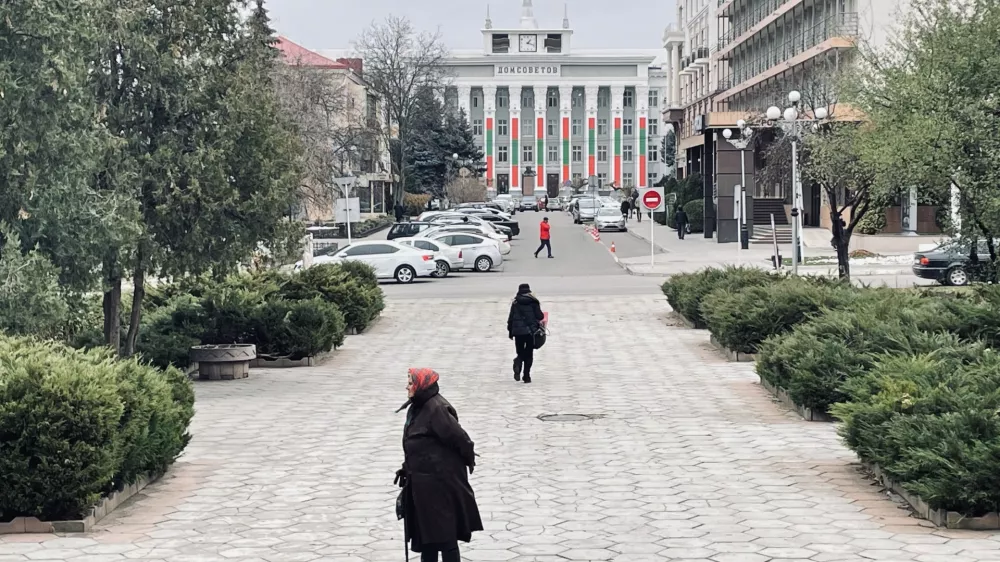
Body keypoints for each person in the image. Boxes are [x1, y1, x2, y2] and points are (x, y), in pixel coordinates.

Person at [395, 368, 482, 562]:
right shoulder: (418, 406)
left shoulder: (436, 409)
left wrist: (467, 461)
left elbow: (460, 439)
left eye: (410, 383)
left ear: (421, 385)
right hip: (423, 485)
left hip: (439, 486)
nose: (407, 387)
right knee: (428, 540)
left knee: (445, 538)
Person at [507, 283, 544, 383]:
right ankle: (526, 376)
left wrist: (510, 332)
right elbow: (540, 316)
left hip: (518, 332)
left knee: (520, 352)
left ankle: (518, 361)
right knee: (529, 354)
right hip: (530, 332)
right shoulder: (533, 302)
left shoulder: (515, 303)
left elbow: (510, 319)